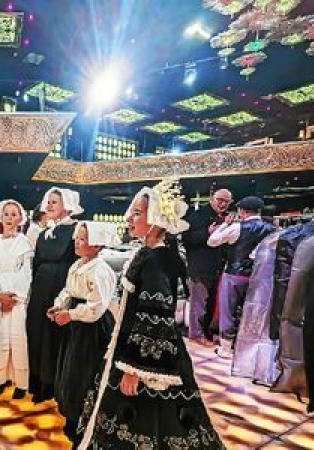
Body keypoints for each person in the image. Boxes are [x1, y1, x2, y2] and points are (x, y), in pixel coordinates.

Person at [78, 179, 224, 449]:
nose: (128, 218)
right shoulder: (149, 252)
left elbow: (155, 318)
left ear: (156, 219)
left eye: (136, 212)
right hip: (131, 349)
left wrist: (135, 369)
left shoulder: (157, 259)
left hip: (147, 359)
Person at [47, 221, 118, 446]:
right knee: (70, 370)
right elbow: (68, 290)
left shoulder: (100, 270)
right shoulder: (77, 265)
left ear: (97, 245)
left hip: (92, 329)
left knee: (85, 373)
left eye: (83, 239)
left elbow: (96, 307)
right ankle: (72, 415)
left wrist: (71, 315)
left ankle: (85, 422)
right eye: (77, 238)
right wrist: (59, 305)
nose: (77, 242)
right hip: (76, 325)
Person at [27, 187, 82, 403]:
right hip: (40, 286)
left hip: (60, 286)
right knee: (37, 331)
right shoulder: (43, 233)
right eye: (48, 201)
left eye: (54, 202)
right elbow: (36, 263)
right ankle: (37, 379)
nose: (49, 205)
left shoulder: (76, 229)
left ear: (67, 205)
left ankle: (52, 383)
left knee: (53, 336)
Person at [208, 195, 276, 359]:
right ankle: (250, 350)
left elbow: (212, 241)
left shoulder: (238, 227)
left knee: (228, 311)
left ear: (243, 211)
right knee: (255, 311)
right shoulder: (272, 229)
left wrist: (224, 224)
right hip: (260, 276)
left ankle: (226, 349)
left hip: (234, 274)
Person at [0, 200, 33, 399]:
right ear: (0, 217)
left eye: (14, 214)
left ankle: (21, 383)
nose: (10, 218)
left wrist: (15, 296)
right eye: (6, 214)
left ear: (20, 218)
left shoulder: (24, 243)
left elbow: (26, 272)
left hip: (17, 300)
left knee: (17, 338)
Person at [181, 189, 233, 345]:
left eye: (226, 201)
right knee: (199, 303)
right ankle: (196, 335)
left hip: (216, 268)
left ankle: (206, 333)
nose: (222, 203)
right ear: (212, 199)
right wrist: (207, 232)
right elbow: (187, 239)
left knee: (210, 304)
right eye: (220, 199)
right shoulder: (198, 216)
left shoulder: (225, 218)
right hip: (200, 267)